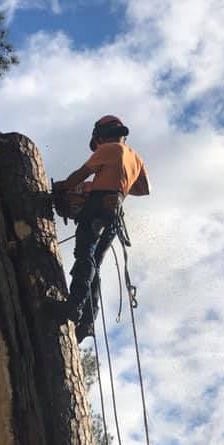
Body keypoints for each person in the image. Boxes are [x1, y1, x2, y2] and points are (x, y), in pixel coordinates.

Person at [53, 115, 150, 342]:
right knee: (94, 263)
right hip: (115, 212)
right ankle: (88, 320)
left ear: (100, 136)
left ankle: (74, 306)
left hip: (97, 206)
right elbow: (144, 188)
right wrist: (118, 187)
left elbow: (80, 174)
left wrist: (64, 187)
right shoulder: (135, 158)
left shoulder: (108, 148)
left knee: (84, 256)